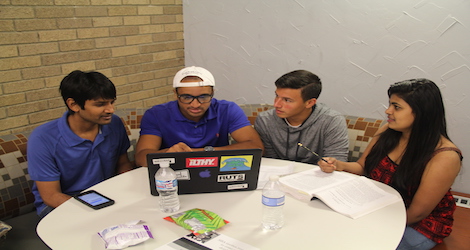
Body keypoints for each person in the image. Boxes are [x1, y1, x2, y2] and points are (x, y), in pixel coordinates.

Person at [318, 79, 462, 249]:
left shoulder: (445, 156)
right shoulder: (388, 130)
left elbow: (417, 213)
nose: (388, 111)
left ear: (422, 112)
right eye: (390, 105)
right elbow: (362, 167)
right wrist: (339, 165)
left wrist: (368, 225)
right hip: (378, 207)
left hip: (418, 222)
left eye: (397, 107)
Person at [28, 70, 133, 218]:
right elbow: (51, 196)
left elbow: (123, 164)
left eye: (112, 102)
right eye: (100, 104)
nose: (111, 109)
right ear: (74, 105)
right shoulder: (43, 138)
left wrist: (131, 192)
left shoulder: (114, 123)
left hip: (105, 198)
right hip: (61, 205)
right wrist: (98, 211)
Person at [135, 66, 263, 167]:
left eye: (203, 97)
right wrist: (167, 153)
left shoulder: (227, 109)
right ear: (175, 94)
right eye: (186, 97)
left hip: (217, 170)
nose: (195, 104)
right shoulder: (156, 114)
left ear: (212, 93)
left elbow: (256, 147)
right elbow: (141, 158)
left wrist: (201, 152)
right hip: (172, 174)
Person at [254, 70, 348, 164]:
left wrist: (330, 164)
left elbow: (337, 161)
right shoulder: (265, 120)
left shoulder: (331, 120)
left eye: (287, 100)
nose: (276, 104)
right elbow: (269, 161)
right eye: (277, 96)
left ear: (309, 103)